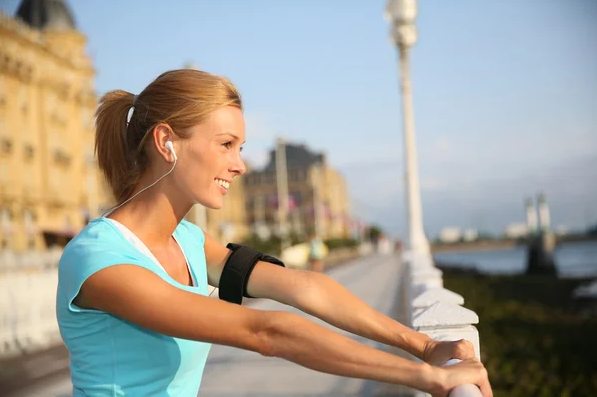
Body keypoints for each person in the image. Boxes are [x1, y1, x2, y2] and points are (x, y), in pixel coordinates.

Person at [55, 69, 492, 397]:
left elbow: (303, 287)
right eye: (226, 144)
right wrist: (426, 377)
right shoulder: (100, 260)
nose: (240, 165)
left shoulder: (187, 241)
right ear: (167, 141)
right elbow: (266, 332)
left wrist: (422, 344)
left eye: (240, 149)